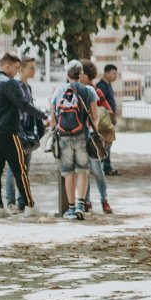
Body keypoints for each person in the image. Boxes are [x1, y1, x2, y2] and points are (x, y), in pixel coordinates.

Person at [0, 51, 47, 218]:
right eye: (16, 68)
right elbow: (24, 105)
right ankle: (30, 205)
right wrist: (44, 116)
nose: (17, 72)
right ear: (6, 65)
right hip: (9, 131)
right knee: (20, 169)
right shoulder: (9, 84)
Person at [50, 60, 99, 221]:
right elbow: (95, 117)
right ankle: (80, 205)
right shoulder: (89, 91)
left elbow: (53, 119)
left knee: (68, 172)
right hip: (82, 136)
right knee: (83, 171)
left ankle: (70, 209)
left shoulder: (58, 91)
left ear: (67, 75)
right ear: (81, 74)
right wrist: (95, 133)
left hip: (64, 137)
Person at [5, 56, 44, 213]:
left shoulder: (27, 87)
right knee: (14, 167)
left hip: (27, 131)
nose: (34, 71)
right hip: (17, 130)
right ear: (21, 69)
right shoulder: (16, 86)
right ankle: (11, 201)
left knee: (24, 167)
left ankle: (22, 200)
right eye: (31, 68)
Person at [80, 61, 113, 214]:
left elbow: (108, 110)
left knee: (97, 170)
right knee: (84, 171)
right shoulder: (76, 91)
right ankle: (86, 201)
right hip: (80, 136)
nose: (80, 77)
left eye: (82, 74)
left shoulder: (96, 91)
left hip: (93, 136)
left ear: (88, 75)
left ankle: (104, 199)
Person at [100, 63, 122, 176]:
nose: (115, 76)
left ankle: (107, 165)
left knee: (109, 142)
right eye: (113, 73)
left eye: (116, 74)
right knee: (105, 142)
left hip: (110, 119)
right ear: (106, 73)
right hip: (104, 120)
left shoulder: (109, 85)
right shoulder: (101, 86)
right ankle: (105, 166)